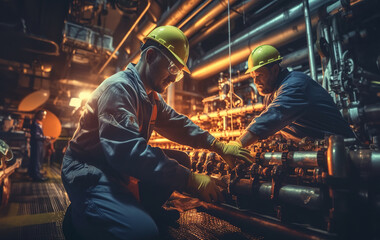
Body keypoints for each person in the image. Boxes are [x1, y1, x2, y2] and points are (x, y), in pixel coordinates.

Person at [61, 25, 252, 240]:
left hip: (114, 166)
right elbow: (129, 154)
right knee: (143, 233)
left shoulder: (149, 96)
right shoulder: (119, 89)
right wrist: (190, 180)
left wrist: (217, 145)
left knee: (181, 159)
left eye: (178, 74)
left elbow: (178, 124)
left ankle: (142, 211)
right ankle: (79, 221)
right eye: (173, 69)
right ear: (150, 56)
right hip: (91, 171)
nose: (173, 78)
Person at [233, 44, 354, 148]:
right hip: (320, 151)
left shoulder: (295, 84)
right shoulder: (270, 97)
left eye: (259, 75)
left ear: (275, 70)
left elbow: (274, 115)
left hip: (343, 151)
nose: (255, 81)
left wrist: (238, 144)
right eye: (253, 77)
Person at [28, 110, 50, 181]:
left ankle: (33, 174)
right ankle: (36, 176)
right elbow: (36, 136)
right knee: (36, 160)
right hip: (36, 144)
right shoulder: (35, 124)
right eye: (42, 115)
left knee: (35, 160)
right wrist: (45, 137)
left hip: (38, 144)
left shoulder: (38, 123)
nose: (44, 117)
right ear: (38, 115)